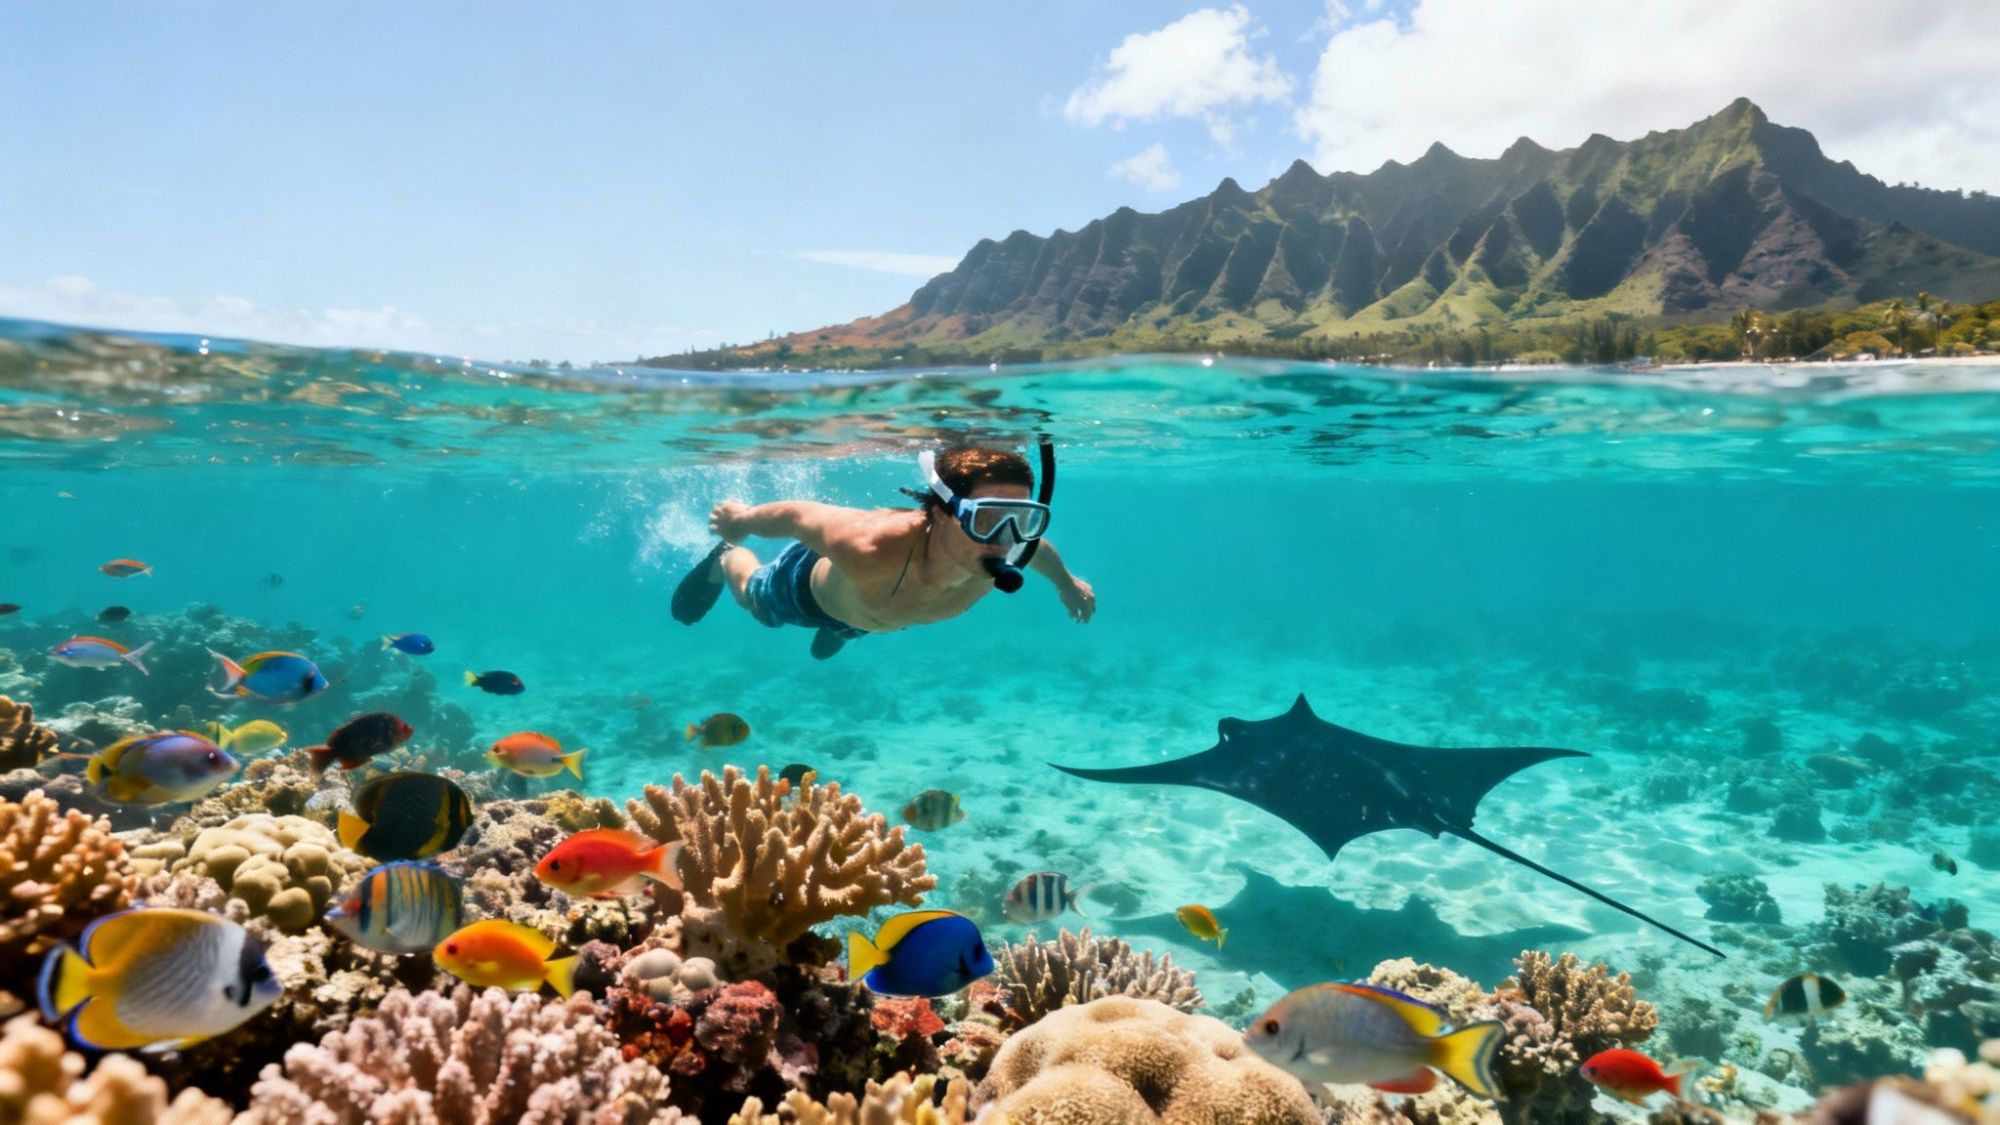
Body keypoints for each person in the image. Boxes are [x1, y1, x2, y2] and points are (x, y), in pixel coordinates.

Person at [671, 446, 1094, 659]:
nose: (1005, 539)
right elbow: (800, 516)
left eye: (1021, 518)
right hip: (807, 592)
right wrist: (740, 522)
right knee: (752, 601)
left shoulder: (1009, 546)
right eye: (986, 519)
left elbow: (1038, 550)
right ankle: (725, 557)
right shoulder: (868, 545)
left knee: (862, 618)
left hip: (873, 610)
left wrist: (1067, 584)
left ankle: (847, 627)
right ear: (944, 513)